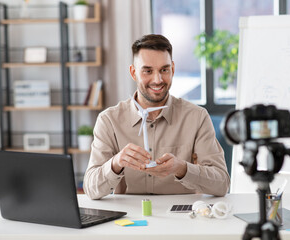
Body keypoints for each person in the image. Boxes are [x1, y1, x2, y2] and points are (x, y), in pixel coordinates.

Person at [83, 34, 230, 199]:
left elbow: (222, 183)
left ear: (172, 69)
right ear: (133, 72)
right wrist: (116, 163)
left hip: (183, 218)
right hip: (130, 219)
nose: (158, 80)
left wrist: (182, 168)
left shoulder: (197, 117)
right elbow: (91, 189)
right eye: (147, 71)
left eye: (164, 70)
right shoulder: (109, 120)